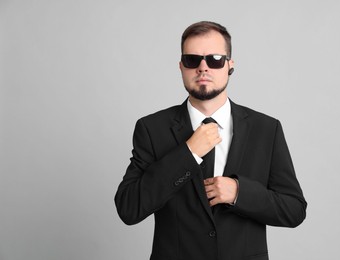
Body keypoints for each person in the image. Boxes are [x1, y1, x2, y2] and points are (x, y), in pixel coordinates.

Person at [115, 21, 307, 260]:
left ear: (230, 65)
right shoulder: (152, 128)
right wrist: (188, 154)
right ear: (181, 67)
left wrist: (239, 192)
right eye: (192, 60)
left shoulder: (266, 129)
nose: (203, 68)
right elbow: (128, 208)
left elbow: (295, 209)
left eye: (215, 59)